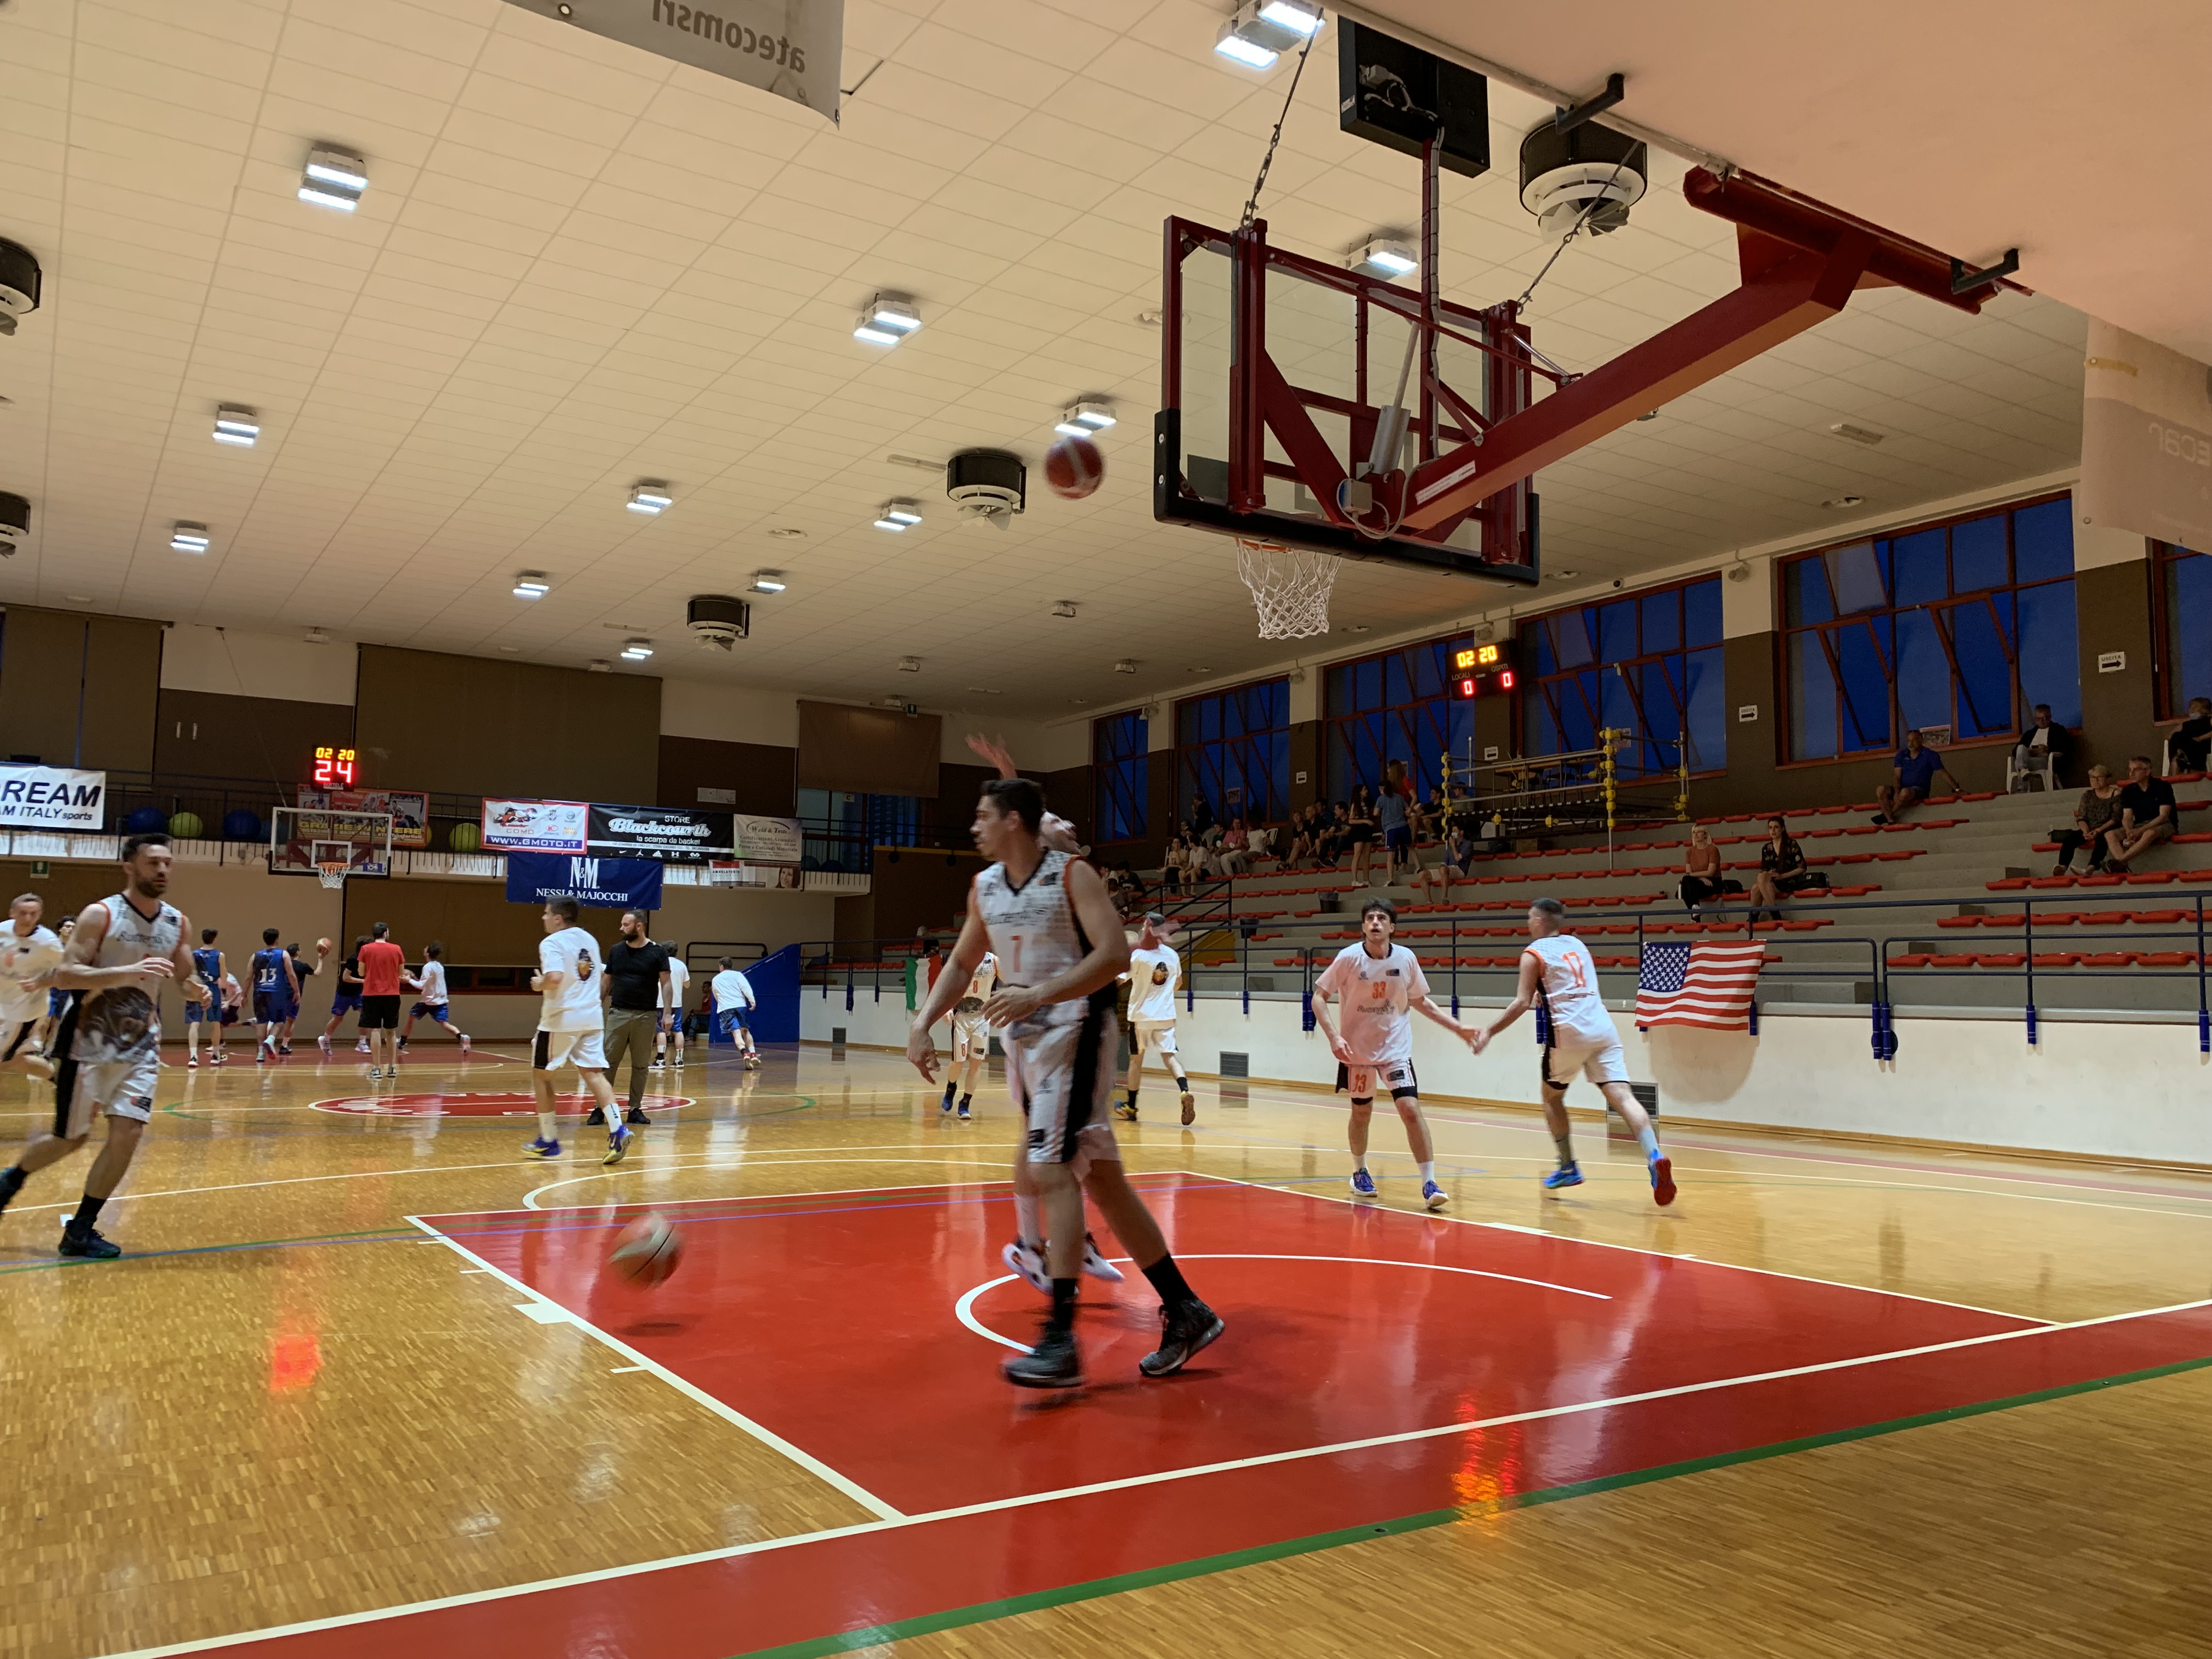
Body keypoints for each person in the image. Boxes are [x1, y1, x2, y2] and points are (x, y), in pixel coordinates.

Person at [907, 778, 1221, 1390]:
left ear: (1014, 821)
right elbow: (964, 962)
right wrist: (923, 1024)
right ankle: (1187, 1310)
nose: (974, 826)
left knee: (1050, 1168)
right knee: (1103, 1181)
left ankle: (1060, 1338)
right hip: (1030, 1044)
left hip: (1078, 1033)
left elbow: (1113, 956)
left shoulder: (1073, 875)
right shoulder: (986, 887)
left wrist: (1038, 994)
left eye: (983, 815)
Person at [0, 833, 211, 1259]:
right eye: (153, 862)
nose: (163, 870)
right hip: (87, 1042)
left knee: (128, 1134)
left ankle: (80, 1230)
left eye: (167, 863)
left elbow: (184, 977)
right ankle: (10, 1181)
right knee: (69, 1139)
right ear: (129, 866)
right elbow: (65, 975)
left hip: (140, 1045)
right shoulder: (101, 915)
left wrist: (198, 990)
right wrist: (127, 972)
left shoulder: (177, 923)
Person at [1471, 896, 1675, 1205]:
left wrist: (1489, 1030)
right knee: (1624, 1097)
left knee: (1551, 1097)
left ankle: (1568, 1166)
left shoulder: (1532, 954)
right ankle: (1654, 1156)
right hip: (1602, 1028)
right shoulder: (1578, 945)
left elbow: (1522, 1002)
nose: (1528, 923)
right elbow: (1568, 985)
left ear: (1539, 921)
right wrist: (1544, 994)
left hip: (1569, 1033)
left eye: (1529, 918)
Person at [1311, 897, 1477, 1211]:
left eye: (1381, 918)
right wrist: (1334, 1037)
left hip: (1395, 1049)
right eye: (1370, 918)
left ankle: (1430, 1182)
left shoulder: (1406, 958)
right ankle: (1360, 1172)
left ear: (1392, 927)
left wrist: (1458, 1028)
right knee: (1361, 1114)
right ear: (1363, 926)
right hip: (1357, 1051)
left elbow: (1421, 1002)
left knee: (1410, 1109)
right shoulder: (1348, 958)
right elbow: (1319, 997)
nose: (1375, 923)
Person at [523, 898, 624, 1164]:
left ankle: (549, 1139)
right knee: (594, 1073)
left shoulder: (552, 942)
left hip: (561, 1019)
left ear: (558, 918)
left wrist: (538, 983)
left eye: (546, 913)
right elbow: (598, 975)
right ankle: (618, 1129)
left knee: (541, 1076)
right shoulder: (590, 940)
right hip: (592, 1017)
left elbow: (554, 978)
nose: (543, 918)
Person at [1119, 913, 1195, 1125]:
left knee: (1136, 1061)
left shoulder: (1138, 956)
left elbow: (1120, 981)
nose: (1143, 928)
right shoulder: (1172, 955)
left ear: (1148, 929)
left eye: (1145, 926)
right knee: (1170, 1057)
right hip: (1165, 1015)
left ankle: (1131, 1107)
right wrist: (1162, 994)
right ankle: (1185, 1091)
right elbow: (1178, 983)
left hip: (1140, 1017)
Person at [596, 910, 669, 1129]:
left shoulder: (657, 952)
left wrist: (667, 1013)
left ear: (639, 926)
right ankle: (601, 1108)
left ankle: (635, 1109)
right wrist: (596, 1004)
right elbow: (607, 980)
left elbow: (666, 983)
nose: (621, 928)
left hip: (646, 1016)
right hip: (618, 1013)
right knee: (608, 1063)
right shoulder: (617, 951)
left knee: (640, 1065)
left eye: (625, 924)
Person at [0, 894, 64, 1083]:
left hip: (24, 1013)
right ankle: (54, 1074)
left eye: (33, 914)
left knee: (5, 1059)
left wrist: (40, 983)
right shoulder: (2, 931)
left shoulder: (48, 942)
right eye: (23, 913)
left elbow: (68, 972)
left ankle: (54, 1075)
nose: (28, 919)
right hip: (2, 1003)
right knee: (14, 1061)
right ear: (12, 913)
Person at [939, 945, 997, 1120]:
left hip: (982, 1017)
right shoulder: (961, 958)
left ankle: (965, 1103)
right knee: (958, 1061)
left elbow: (1013, 980)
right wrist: (947, 1007)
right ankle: (951, 1088)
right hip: (962, 1016)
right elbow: (947, 985)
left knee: (976, 1063)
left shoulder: (994, 961)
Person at [2105, 754, 2177, 870]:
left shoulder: (2163, 787)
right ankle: (2122, 867)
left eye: (2136, 770)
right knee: (2110, 834)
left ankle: (2120, 861)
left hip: (2164, 824)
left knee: (2149, 833)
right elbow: (2127, 816)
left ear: (2147, 771)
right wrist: (2129, 832)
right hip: (2140, 824)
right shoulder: (2128, 790)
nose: (2131, 773)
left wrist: (2140, 831)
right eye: (2130, 770)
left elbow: (2163, 816)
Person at [1746, 816, 1825, 922]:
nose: (1773, 830)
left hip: (1789, 880)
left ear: (1782, 829)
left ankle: (1761, 917)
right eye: (1770, 828)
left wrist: (1782, 876)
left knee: (1757, 886)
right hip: (1773, 881)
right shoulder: (1766, 848)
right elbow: (1764, 868)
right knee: (1758, 883)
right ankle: (1770, 915)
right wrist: (1771, 872)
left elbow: (1802, 868)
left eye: (1776, 827)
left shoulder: (1791, 844)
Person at [398, 942, 470, 1053]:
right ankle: (462, 1037)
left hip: (428, 1001)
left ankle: (402, 1042)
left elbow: (421, 985)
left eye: (426, 948)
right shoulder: (439, 966)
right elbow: (427, 984)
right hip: (440, 1001)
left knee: (411, 1017)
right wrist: (413, 977)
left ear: (428, 953)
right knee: (445, 1024)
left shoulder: (427, 967)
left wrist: (409, 980)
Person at [2052, 765, 2123, 876]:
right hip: (2090, 827)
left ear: (2108, 779)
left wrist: (2099, 830)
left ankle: (2091, 867)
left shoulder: (2116, 794)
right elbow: (2082, 817)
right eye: (2092, 778)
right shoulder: (2087, 796)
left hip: (2108, 826)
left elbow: (2116, 818)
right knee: (2071, 838)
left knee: (2102, 839)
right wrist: (2085, 831)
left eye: (2099, 777)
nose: (2095, 780)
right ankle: (2062, 866)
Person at [356, 922, 406, 1080]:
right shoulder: (396, 949)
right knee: (391, 1031)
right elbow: (401, 972)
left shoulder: (366, 949)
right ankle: (392, 1068)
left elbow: (361, 972)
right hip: (392, 994)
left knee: (375, 1030)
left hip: (371, 994)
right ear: (385, 933)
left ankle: (376, 1069)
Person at [1874, 729, 1956, 823]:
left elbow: (1943, 773)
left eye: (1914, 740)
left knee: (1905, 792)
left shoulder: (1930, 755)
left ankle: (1887, 816)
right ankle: (1890, 819)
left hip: (1919, 790)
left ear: (1921, 740)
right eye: (1909, 741)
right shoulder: (1901, 755)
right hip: (1901, 790)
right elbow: (1897, 776)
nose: (1911, 744)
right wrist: (1896, 792)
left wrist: (1957, 790)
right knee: (1880, 790)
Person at [30, 916, 74, 1057]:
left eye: (73, 928)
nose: (70, 929)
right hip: (50, 989)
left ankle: (48, 1053)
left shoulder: (74, 951)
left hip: (66, 991)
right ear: (60, 929)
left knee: (57, 1024)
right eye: (68, 926)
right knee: (44, 1022)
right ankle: (35, 1048)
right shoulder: (52, 946)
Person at [317, 937, 368, 1057]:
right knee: (338, 1019)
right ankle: (325, 1039)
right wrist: (364, 981)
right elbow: (346, 977)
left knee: (365, 1014)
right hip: (344, 993)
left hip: (358, 993)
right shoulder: (353, 959)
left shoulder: (367, 960)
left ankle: (362, 1043)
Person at [185, 928, 229, 1068]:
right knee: (215, 1023)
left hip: (197, 990)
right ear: (214, 939)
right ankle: (215, 1055)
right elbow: (224, 977)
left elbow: (189, 974)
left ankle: (193, 1057)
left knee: (194, 1023)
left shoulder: (194, 954)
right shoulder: (219, 955)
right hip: (212, 990)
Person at [711, 955, 761, 1068]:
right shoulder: (738, 975)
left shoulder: (716, 979)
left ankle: (745, 1054)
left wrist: (722, 1003)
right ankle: (753, 1054)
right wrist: (752, 1001)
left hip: (726, 1008)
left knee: (736, 1033)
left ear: (721, 966)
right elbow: (746, 988)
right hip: (740, 1006)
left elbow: (716, 994)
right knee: (745, 1031)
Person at [2010, 703, 2072, 791]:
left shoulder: (2058, 730)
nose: (2041, 721)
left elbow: (2066, 748)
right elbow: (2015, 752)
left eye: (2044, 718)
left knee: (2019, 763)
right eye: (2038, 719)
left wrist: (2047, 749)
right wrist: (2030, 751)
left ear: (2050, 718)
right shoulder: (2030, 733)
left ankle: (2022, 788)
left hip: (2045, 760)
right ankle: (2023, 770)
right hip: (2029, 759)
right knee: (2021, 748)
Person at [1679, 823, 1735, 912]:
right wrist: (1701, 878)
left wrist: (1695, 876)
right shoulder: (1689, 852)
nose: (1696, 835)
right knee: (1687, 881)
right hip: (1697, 881)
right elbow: (1689, 873)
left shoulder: (1713, 850)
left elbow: (1710, 872)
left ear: (1705, 835)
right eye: (1694, 832)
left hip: (1712, 882)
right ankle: (1695, 908)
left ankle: (1695, 914)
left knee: (1686, 888)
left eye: (1699, 832)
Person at [652, 947, 691, 1070]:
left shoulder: (658, 963)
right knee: (678, 1030)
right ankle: (679, 1060)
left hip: (661, 1002)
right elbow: (687, 985)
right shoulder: (681, 965)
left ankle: (660, 1060)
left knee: (661, 1030)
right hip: (677, 1003)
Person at [1374, 768, 1412, 885]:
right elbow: (1408, 810)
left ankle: (1391, 878)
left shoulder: (1381, 799)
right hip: (1403, 826)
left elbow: (1375, 813)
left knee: (1391, 854)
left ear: (1382, 789)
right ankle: (1417, 867)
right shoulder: (1399, 797)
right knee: (1409, 847)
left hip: (1391, 828)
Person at [2170, 697, 2212, 775]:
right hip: (2187, 747)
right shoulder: (2186, 724)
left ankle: (2182, 759)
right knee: (2177, 736)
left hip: (2201, 747)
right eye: (2191, 707)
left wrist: (2201, 738)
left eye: (2195, 707)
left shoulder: (2209, 720)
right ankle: (2180, 758)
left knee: (2178, 738)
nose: (2192, 709)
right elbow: (2171, 736)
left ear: (2204, 709)